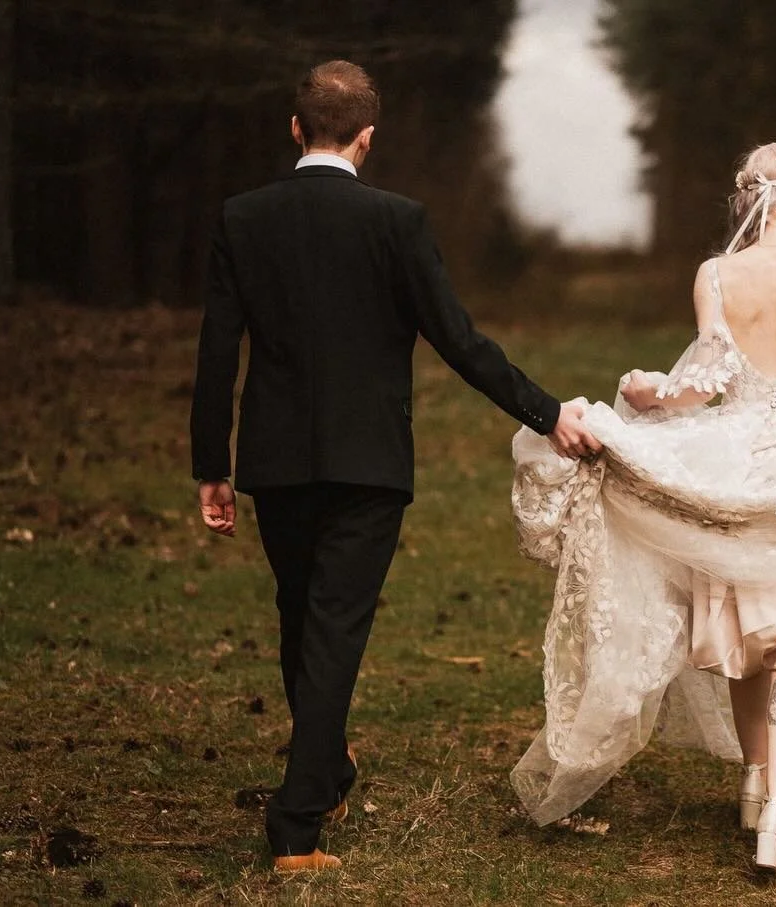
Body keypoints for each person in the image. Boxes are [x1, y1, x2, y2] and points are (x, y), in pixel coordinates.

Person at [189, 60, 600, 873]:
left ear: (295, 128)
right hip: (369, 461)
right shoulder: (397, 222)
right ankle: (297, 823)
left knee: (303, 614)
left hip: (274, 460)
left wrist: (212, 463)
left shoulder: (244, 216)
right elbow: (457, 339)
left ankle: (327, 770)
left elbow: (216, 351)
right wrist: (547, 412)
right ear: (367, 139)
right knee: (332, 626)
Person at [510, 143, 776, 875]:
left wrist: (649, 395)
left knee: (749, 642)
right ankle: (773, 809)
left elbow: (704, 381)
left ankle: (753, 782)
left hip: (735, 473)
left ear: (744, 201)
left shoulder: (717, 273)